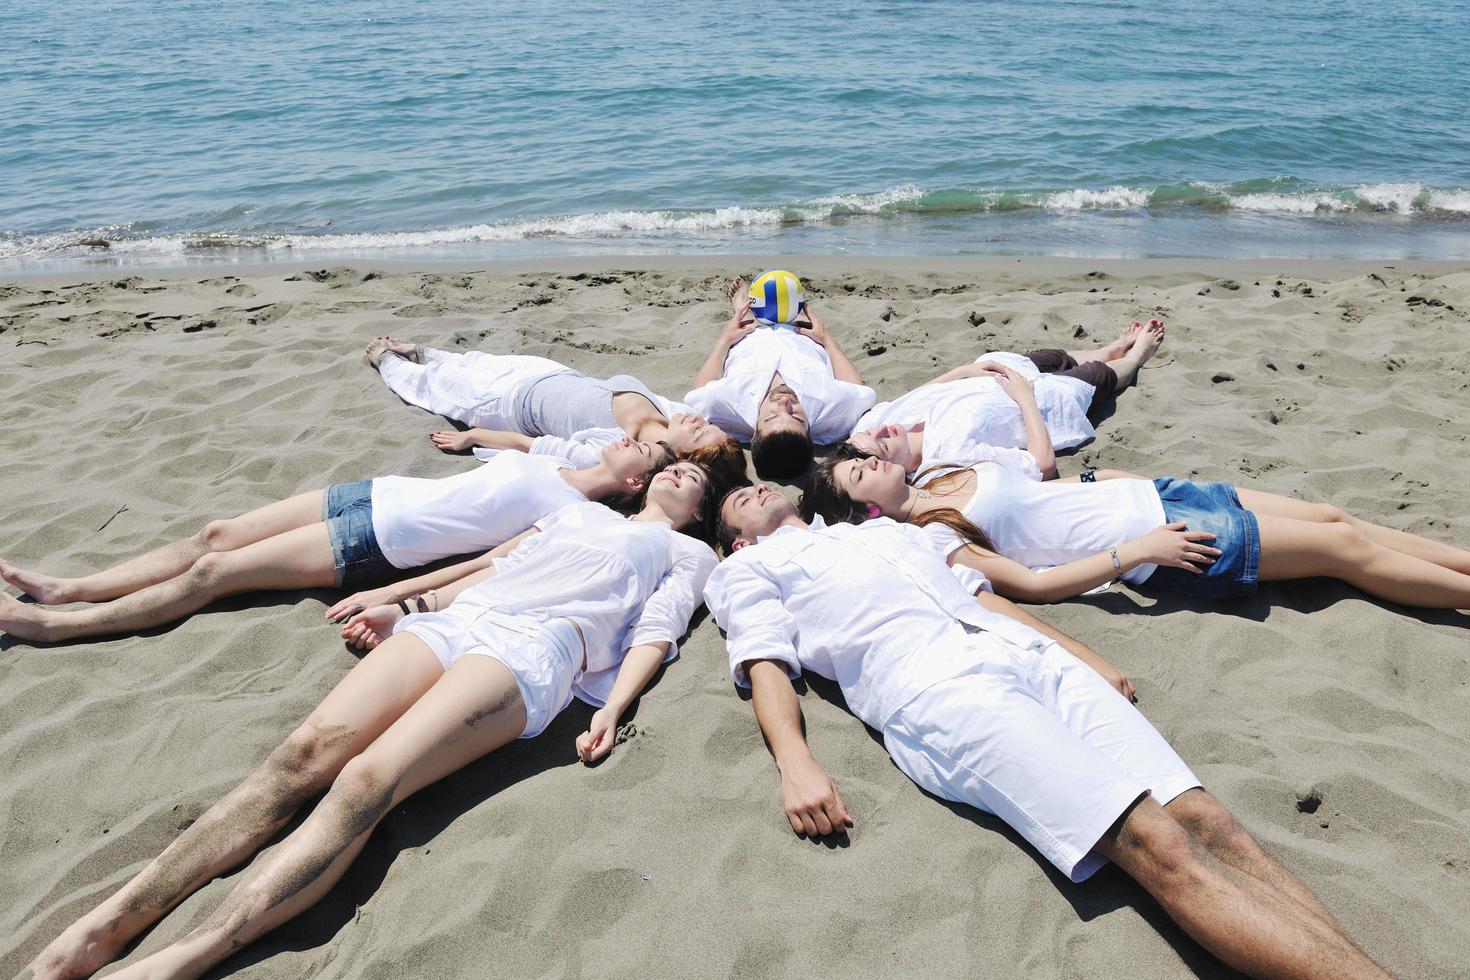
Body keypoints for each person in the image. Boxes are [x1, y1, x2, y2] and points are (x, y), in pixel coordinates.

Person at [28, 463, 720, 980]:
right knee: (298, 757)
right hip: (464, 618)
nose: (681, 471)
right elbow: (489, 564)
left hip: (540, 645)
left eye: (696, 477)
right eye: (676, 463)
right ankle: (106, 926)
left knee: (367, 779)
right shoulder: (578, 514)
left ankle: (189, 953)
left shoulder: (690, 555)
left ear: (698, 512)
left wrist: (618, 707)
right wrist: (409, 606)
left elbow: (656, 631)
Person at [708, 484, 1387, 979]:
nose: (755, 487)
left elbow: (983, 596)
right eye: (738, 498)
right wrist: (795, 763)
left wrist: (1083, 656)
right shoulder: (744, 569)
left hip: (1031, 659)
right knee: (1153, 841)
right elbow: (765, 659)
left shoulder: (886, 531)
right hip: (938, 689)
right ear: (735, 538)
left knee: (1214, 823)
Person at [0, 439, 673, 643]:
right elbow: (508, 436)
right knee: (216, 533)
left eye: (642, 449)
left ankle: (53, 628)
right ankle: (68, 587)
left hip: (375, 543)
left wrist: (402, 595)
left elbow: (495, 560)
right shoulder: (557, 460)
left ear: (637, 479)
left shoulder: (577, 515)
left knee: (215, 571)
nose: (627, 440)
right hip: (374, 491)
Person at [806, 446, 1470, 610]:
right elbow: (1034, 585)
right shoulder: (939, 539)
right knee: (1342, 549)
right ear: (867, 512)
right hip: (1166, 540)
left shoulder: (944, 473)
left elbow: (1041, 496)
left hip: (1154, 494)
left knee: (1334, 516)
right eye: (857, 475)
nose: (865, 461)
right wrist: (1133, 553)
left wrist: (1097, 480)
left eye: (858, 458)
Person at [365, 337, 746, 486]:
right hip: (547, 373)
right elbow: (716, 393)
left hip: (506, 404)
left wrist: (473, 435)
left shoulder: (615, 448)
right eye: (706, 424)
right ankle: (419, 353)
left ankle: (385, 360)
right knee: (469, 360)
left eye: (699, 432)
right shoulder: (673, 412)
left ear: (683, 457)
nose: (697, 421)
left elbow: (532, 446)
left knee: (432, 389)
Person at [843, 319, 1165, 481]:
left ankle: (1109, 348)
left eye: (874, 434)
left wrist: (966, 370)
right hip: (1039, 403)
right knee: (1098, 375)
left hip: (995, 375)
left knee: (1052, 356)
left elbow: (922, 392)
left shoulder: (873, 425)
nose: (883, 431)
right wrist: (1024, 398)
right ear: (895, 468)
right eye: (883, 444)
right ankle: (1134, 357)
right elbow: (1043, 466)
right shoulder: (947, 457)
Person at [685, 276, 875, 480]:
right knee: (787, 295)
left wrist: (725, 339)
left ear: (752, 432)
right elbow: (857, 389)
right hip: (798, 332)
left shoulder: (729, 407)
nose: (785, 403)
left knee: (748, 320)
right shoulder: (829, 411)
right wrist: (826, 339)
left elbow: (698, 393)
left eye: (772, 416)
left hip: (750, 335)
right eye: (797, 417)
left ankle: (743, 310)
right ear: (810, 431)